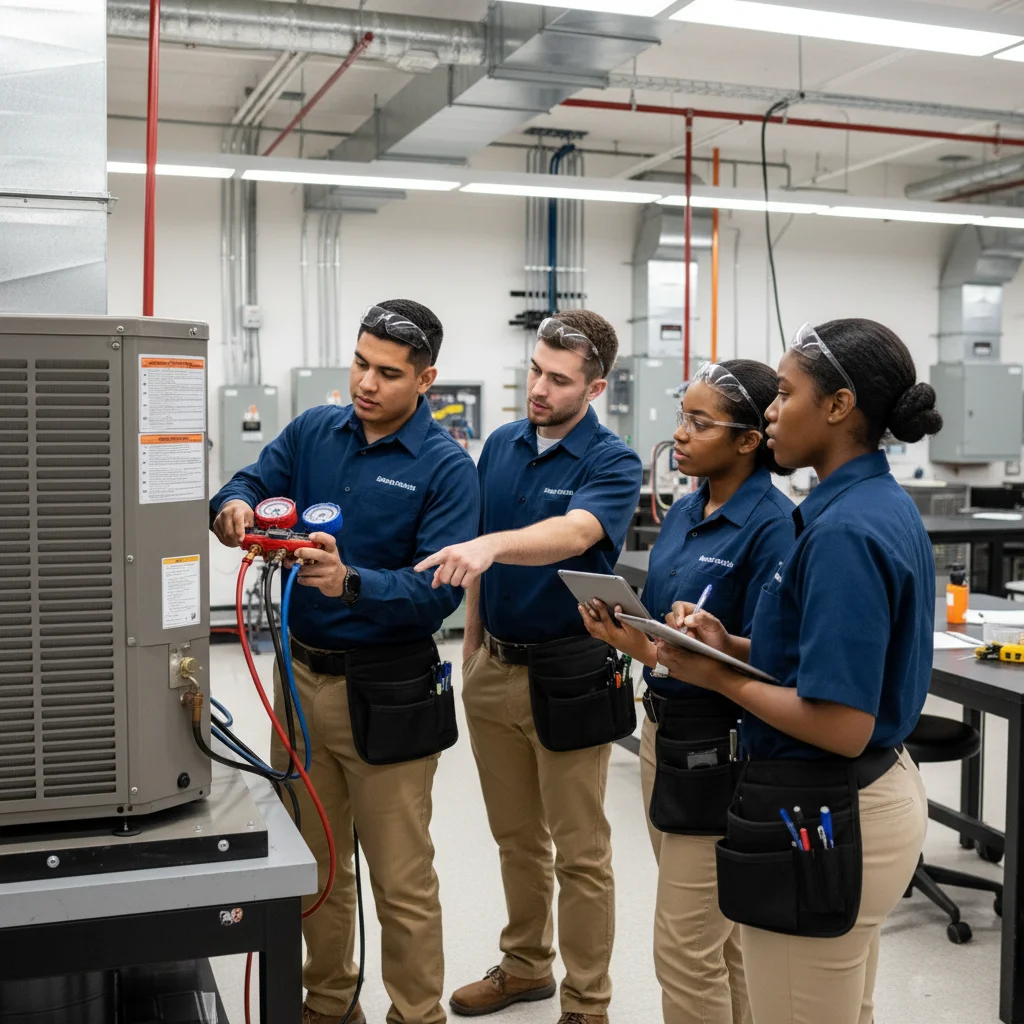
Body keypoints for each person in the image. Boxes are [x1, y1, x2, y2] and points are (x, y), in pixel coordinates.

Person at [653, 319, 942, 1024]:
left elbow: (842, 724)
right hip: (863, 793)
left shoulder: (844, 530)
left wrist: (717, 679)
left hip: (836, 795)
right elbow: (821, 660)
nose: (773, 410)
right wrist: (735, 646)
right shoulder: (860, 505)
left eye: (784, 394)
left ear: (839, 407)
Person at [211, 299, 480, 1024]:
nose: (366, 382)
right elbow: (250, 481)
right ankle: (328, 1004)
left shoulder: (446, 468)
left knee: (400, 876)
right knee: (314, 864)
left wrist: (352, 581)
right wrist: (235, 507)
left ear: (426, 379)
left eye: (388, 373)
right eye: (360, 362)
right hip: (298, 682)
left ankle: (415, 1012)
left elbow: (437, 594)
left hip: (388, 690)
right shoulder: (313, 433)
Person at [416, 311, 643, 1024]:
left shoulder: (613, 462)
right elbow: (485, 550)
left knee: (580, 850)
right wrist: (474, 639)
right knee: (516, 838)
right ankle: (525, 968)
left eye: (558, 379)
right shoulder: (503, 446)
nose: (538, 388)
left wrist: (490, 548)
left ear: (595, 386)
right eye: (535, 371)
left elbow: (573, 534)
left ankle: (588, 1001)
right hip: (496, 667)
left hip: (571, 671)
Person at [579, 360, 795, 1024]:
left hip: (724, 754)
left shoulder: (774, 526)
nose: (680, 434)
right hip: (662, 734)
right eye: (682, 417)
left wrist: (704, 643)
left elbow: (777, 663)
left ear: (749, 439)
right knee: (720, 943)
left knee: (685, 949)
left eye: (700, 423)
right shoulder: (684, 511)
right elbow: (670, 647)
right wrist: (629, 638)